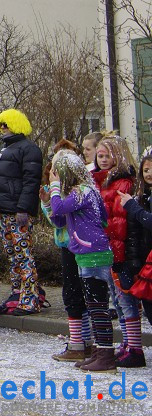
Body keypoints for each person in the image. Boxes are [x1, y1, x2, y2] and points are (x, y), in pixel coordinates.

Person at [48, 149, 117, 372]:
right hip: (87, 252)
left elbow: (60, 207)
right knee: (93, 305)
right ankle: (99, 351)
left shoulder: (83, 191)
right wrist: (47, 202)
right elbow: (59, 220)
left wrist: (55, 189)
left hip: (93, 253)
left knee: (98, 307)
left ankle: (106, 355)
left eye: (58, 173)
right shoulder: (83, 192)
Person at [0, 108, 43, 316]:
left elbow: (31, 181)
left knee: (24, 256)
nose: (2, 129)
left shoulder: (29, 149)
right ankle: (18, 293)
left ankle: (30, 299)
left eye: (6, 124)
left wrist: (23, 208)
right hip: (4, 212)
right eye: (0, 124)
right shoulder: (2, 149)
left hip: (18, 213)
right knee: (13, 257)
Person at [92, 135, 142, 366]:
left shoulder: (123, 183)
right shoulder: (101, 182)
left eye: (107, 156)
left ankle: (135, 346)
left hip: (118, 251)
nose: (103, 160)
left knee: (125, 300)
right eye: (99, 156)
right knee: (117, 299)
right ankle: (127, 343)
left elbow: (119, 222)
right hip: (107, 249)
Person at [121, 154, 152, 330]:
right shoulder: (141, 196)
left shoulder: (136, 203)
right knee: (148, 305)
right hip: (145, 262)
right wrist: (134, 263)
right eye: (145, 170)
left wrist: (132, 207)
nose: (149, 174)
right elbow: (133, 234)